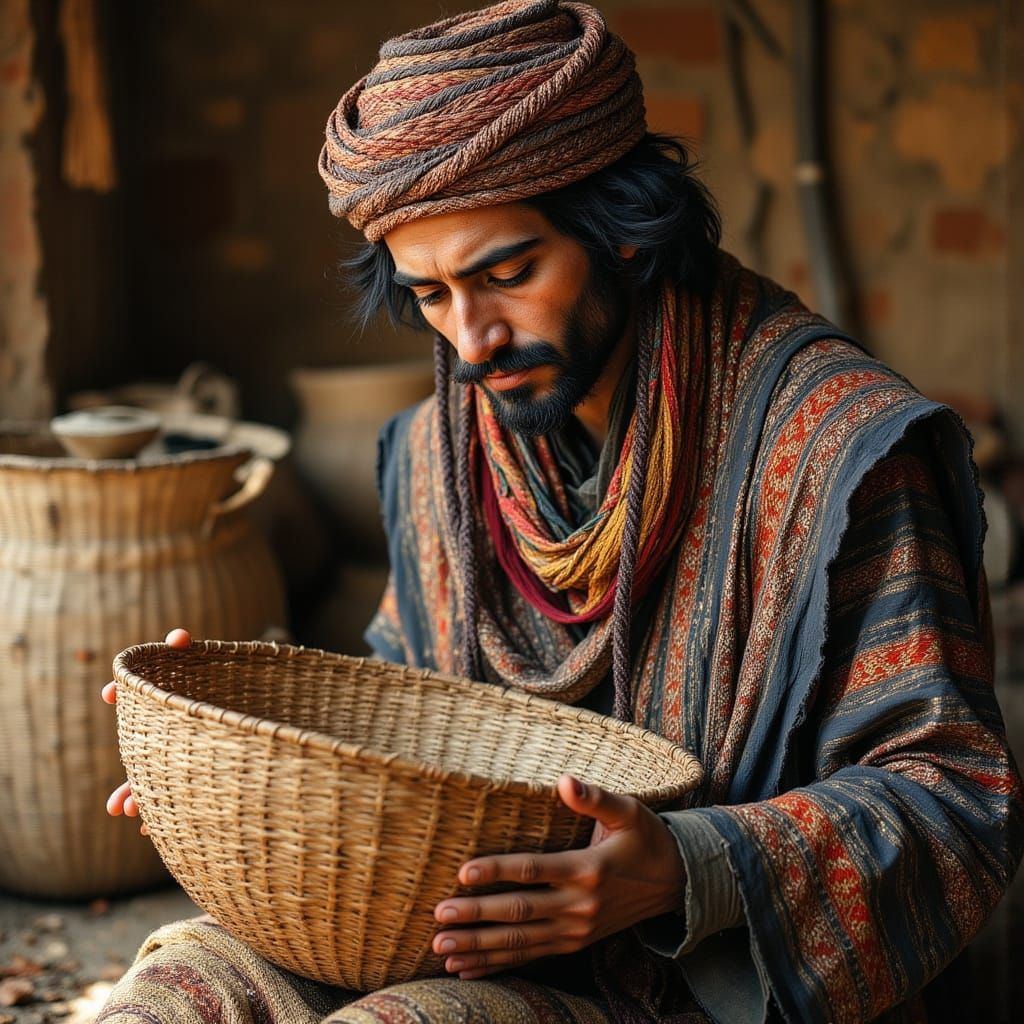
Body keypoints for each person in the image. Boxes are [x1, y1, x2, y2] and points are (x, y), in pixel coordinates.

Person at [99, 1, 1023, 1022]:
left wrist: (680, 865)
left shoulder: (836, 453)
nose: (471, 338)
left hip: (680, 980)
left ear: (623, 231)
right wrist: (241, 772)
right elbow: (415, 731)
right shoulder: (436, 454)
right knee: (176, 993)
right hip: (426, 921)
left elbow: (953, 803)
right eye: (432, 295)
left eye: (507, 273)